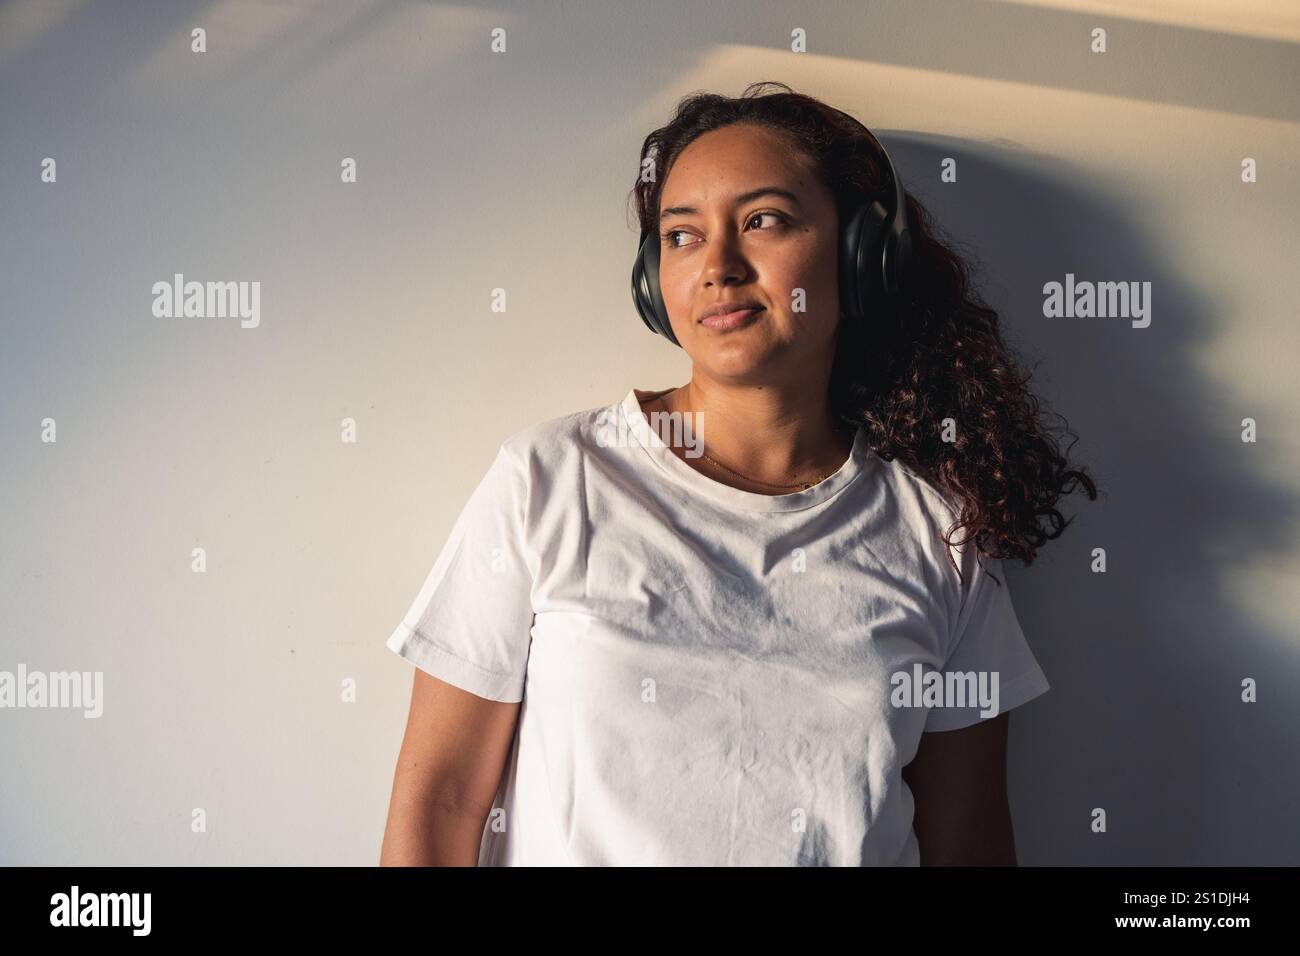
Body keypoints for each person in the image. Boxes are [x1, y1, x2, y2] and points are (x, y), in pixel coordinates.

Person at [379, 81, 1098, 867]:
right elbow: (440, 801)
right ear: (655, 280)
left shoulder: (942, 534)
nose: (717, 265)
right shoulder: (551, 481)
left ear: (860, 254)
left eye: (764, 221)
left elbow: (971, 846)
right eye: (681, 236)